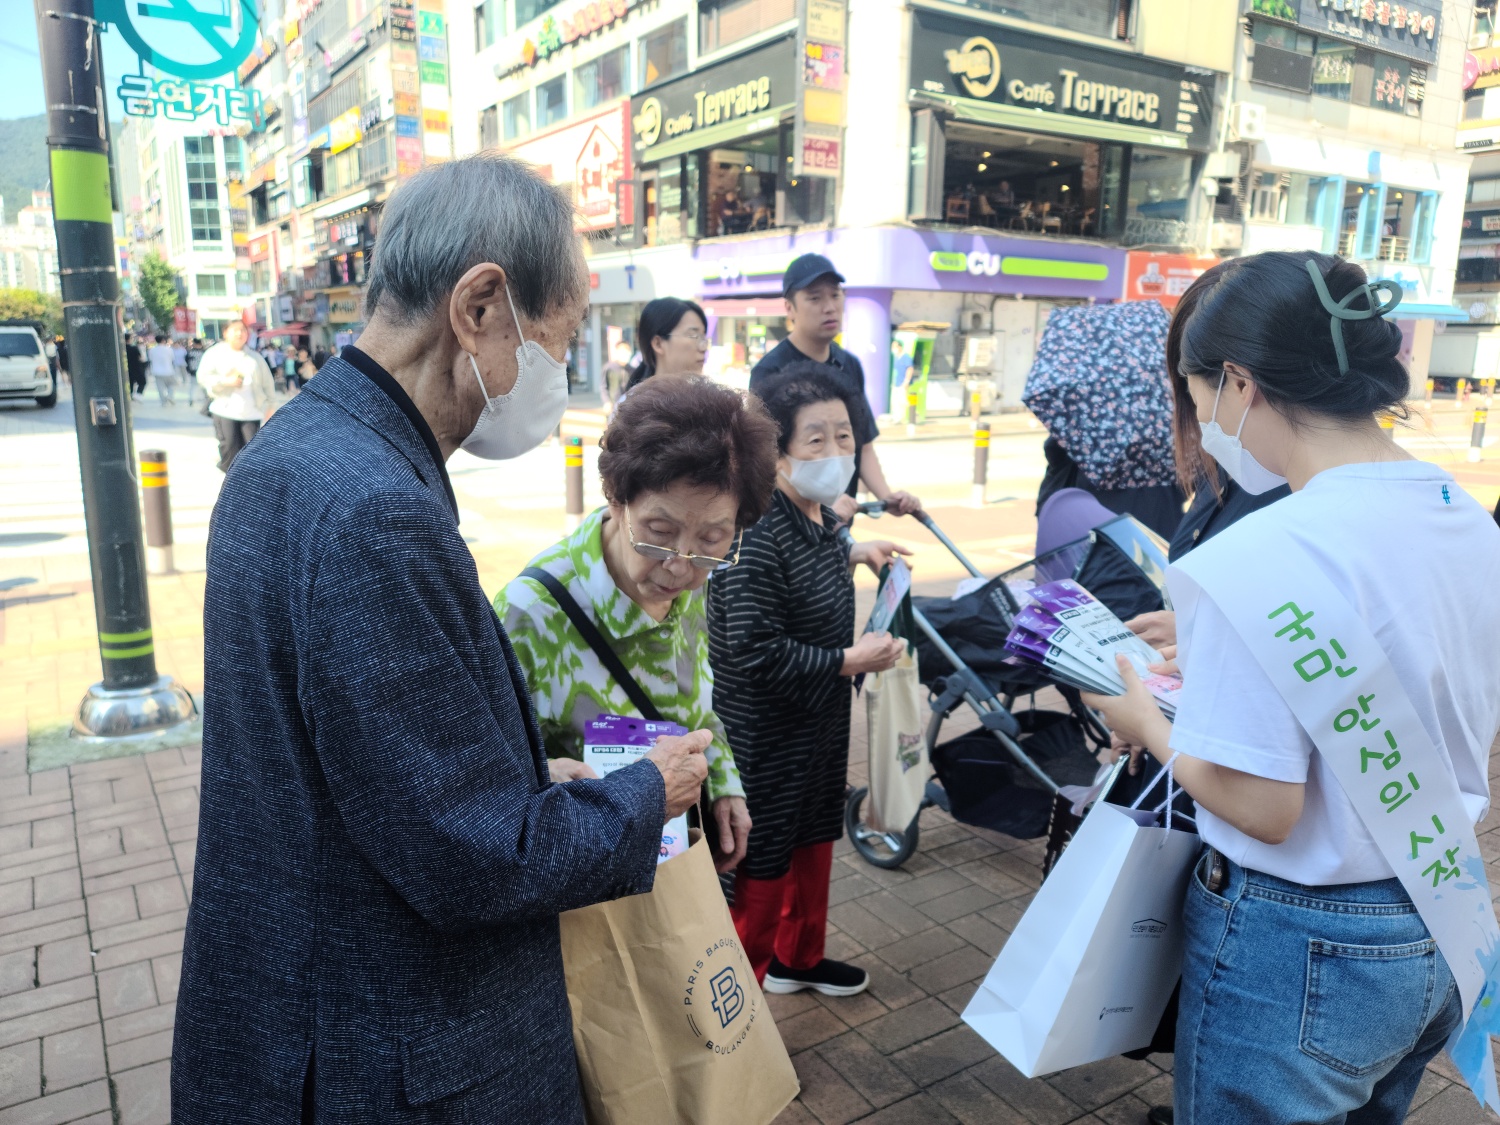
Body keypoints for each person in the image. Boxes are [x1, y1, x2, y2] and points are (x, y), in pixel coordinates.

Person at [172, 153, 710, 1124]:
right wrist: (650, 789)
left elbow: (340, 756)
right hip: (391, 1052)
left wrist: (518, 771)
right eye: (557, 342)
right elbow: (476, 859)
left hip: (300, 1009)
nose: (554, 377)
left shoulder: (292, 453)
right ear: (479, 308)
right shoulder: (379, 512)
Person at [1084, 251, 1500, 1125]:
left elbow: (1261, 804)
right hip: (1437, 918)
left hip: (1296, 948)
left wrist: (1142, 720)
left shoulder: (1257, 558)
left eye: (1201, 401)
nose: (1206, 425)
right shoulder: (1462, 513)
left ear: (1240, 383)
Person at [497, 375, 775, 876]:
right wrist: (541, 779)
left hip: (677, 853)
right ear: (615, 498)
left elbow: (699, 704)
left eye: (713, 540)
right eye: (658, 533)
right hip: (588, 877)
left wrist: (724, 782)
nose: (680, 568)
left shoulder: (690, 580)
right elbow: (484, 785)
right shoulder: (529, 611)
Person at [709, 361, 907, 994]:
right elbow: (749, 649)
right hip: (764, 736)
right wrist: (850, 661)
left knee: (814, 839)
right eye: (815, 439)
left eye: (844, 435)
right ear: (778, 452)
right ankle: (735, 1022)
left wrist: (857, 550)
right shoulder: (755, 531)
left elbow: (812, 557)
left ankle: (799, 957)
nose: (836, 451)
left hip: (817, 724)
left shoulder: (823, 519)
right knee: (761, 865)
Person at [751, 254, 921, 523]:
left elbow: (862, 446)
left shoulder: (849, 365)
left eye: (835, 295)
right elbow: (766, 459)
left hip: (843, 519)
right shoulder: (770, 372)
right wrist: (821, 498)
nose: (829, 307)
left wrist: (887, 497)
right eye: (815, 298)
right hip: (793, 525)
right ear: (790, 308)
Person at [196, 320, 276, 472]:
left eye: (243, 330)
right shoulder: (214, 354)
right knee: (229, 448)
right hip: (224, 410)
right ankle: (230, 483)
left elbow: (268, 383)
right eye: (235, 330)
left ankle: (247, 484)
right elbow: (203, 377)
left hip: (251, 411)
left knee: (251, 452)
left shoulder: (255, 357)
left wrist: (271, 405)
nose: (240, 333)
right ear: (225, 333)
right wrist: (225, 381)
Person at [623, 297, 708, 390]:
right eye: (693, 335)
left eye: (703, 337)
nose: (703, 347)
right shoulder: (635, 402)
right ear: (658, 344)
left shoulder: (707, 399)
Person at [599, 340, 631, 414]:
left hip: (628, 406)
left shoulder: (633, 370)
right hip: (613, 406)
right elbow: (603, 386)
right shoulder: (609, 368)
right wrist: (606, 402)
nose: (625, 354)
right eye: (622, 351)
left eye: (627, 351)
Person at [147, 333, 178, 405]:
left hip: (156, 371)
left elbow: (150, 359)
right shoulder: (169, 349)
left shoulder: (152, 350)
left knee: (160, 387)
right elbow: (172, 359)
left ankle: (163, 402)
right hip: (168, 370)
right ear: (164, 340)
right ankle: (170, 395)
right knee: (172, 384)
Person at [123, 331, 147, 398]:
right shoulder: (134, 348)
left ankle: (130, 396)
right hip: (136, 367)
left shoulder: (121, 349)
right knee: (142, 382)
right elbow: (140, 358)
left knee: (130, 383)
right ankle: (138, 394)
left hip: (127, 368)